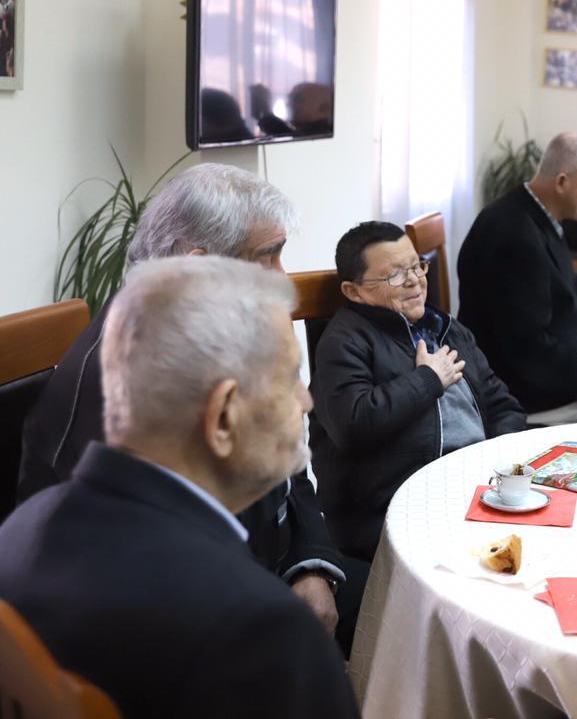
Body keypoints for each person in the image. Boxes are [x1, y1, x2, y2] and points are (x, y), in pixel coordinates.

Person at [19, 163, 363, 656]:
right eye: (267, 256)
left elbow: (289, 460)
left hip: (263, 565)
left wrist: (312, 564)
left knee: (396, 602)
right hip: (158, 626)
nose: (282, 278)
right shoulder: (126, 389)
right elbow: (146, 573)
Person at [0, 257, 360, 719]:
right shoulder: (263, 632)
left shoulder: (17, 533)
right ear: (224, 417)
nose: (307, 400)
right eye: (290, 378)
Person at [310, 222, 527, 562]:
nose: (414, 280)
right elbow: (353, 424)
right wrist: (428, 379)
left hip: (478, 488)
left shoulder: (444, 328)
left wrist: (495, 468)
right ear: (353, 291)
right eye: (395, 275)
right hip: (403, 509)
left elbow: (503, 406)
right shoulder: (344, 342)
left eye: (416, 266)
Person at [458, 131, 577, 423]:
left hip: (541, 372)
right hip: (519, 392)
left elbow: (564, 289)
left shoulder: (534, 214)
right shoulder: (515, 237)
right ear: (562, 182)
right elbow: (528, 348)